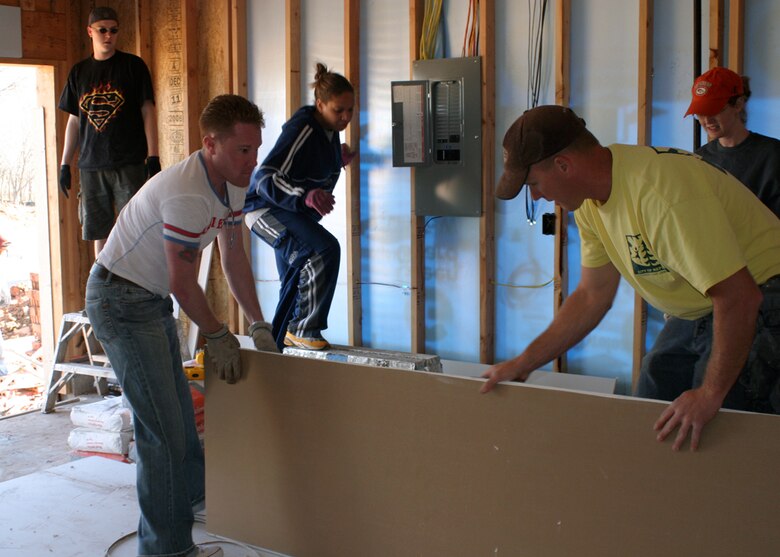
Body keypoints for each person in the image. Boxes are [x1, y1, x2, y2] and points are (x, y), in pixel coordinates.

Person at [480, 105, 780, 452]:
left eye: (533, 183)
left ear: (563, 165)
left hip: (764, 295)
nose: (535, 196)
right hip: (705, 307)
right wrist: (523, 363)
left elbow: (739, 297)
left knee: (719, 428)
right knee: (654, 396)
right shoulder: (591, 203)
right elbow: (592, 296)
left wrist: (711, 394)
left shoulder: (659, 192)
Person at [85, 94, 278, 557]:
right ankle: (167, 549)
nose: (253, 161)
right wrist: (217, 334)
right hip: (118, 300)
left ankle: (189, 502)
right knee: (163, 434)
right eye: (243, 150)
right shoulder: (189, 193)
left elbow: (233, 256)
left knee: (177, 423)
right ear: (210, 144)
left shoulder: (232, 182)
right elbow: (183, 284)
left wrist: (257, 324)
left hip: (146, 301)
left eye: (256, 149)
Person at [243, 62, 356, 351]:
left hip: (288, 213)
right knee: (323, 250)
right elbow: (264, 176)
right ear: (320, 104)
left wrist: (336, 159)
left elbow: (310, 165)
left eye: (350, 111)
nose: (345, 118)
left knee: (295, 282)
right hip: (264, 209)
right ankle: (304, 329)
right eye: (338, 110)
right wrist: (304, 196)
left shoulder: (329, 132)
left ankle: (283, 344)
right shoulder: (304, 126)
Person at [58, 6, 160, 258]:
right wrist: (64, 164)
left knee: (135, 228)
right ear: (90, 32)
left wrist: (153, 156)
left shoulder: (133, 66)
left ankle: (134, 287)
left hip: (128, 161)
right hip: (91, 164)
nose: (108, 35)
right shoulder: (78, 72)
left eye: (113, 30)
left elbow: (148, 110)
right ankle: (101, 288)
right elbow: (74, 120)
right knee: (97, 231)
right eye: (102, 30)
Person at [685, 66, 780, 217]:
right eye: (701, 113)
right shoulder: (700, 159)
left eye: (714, 110)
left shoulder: (773, 154)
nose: (707, 120)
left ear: (738, 104)